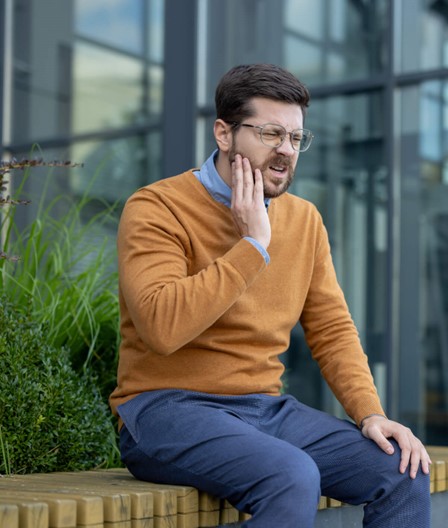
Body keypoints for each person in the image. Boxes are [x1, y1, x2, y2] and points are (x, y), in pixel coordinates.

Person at [109, 63, 431, 527]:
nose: (286, 151)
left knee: (402, 468)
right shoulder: (157, 207)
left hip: (263, 409)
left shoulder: (304, 220)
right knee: (290, 474)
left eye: (296, 138)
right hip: (165, 410)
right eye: (271, 134)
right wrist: (252, 245)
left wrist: (369, 414)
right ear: (224, 134)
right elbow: (162, 326)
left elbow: (332, 328)